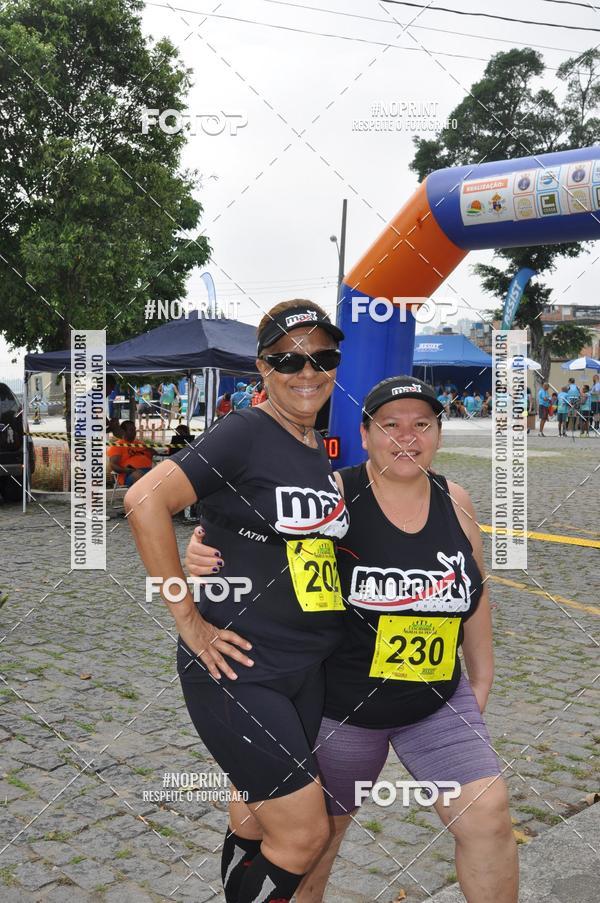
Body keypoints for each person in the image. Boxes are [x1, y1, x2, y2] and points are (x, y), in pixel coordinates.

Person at [186, 375, 519, 903]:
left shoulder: (455, 499)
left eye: (422, 425)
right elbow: (256, 544)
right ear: (365, 434)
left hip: (434, 702)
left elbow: (473, 593)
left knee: (489, 819)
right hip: (340, 709)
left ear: (438, 433)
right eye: (391, 426)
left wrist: (481, 679)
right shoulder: (333, 497)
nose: (407, 437)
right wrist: (201, 553)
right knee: (317, 844)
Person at [125, 300, 348, 903]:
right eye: (288, 359)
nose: (307, 372)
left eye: (322, 357)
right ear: (262, 369)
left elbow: (279, 537)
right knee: (304, 835)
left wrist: (214, 540)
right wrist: (189, 619)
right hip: (239, 670)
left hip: (302, 669)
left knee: (255, 822)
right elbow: (145, 501)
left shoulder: (315, 445)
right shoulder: (247, 429)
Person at [107, 420, 154, 486]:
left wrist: (151, 451)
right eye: (131, 430)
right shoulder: (117, 445)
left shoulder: (139, 444)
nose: (134, 432)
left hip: (149, 471)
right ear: (124, 431)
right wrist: (127, 470)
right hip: (130, 474)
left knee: (163, 472)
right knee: (139, 475)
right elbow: (113, 465)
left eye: (134, 430)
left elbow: (152, 455)